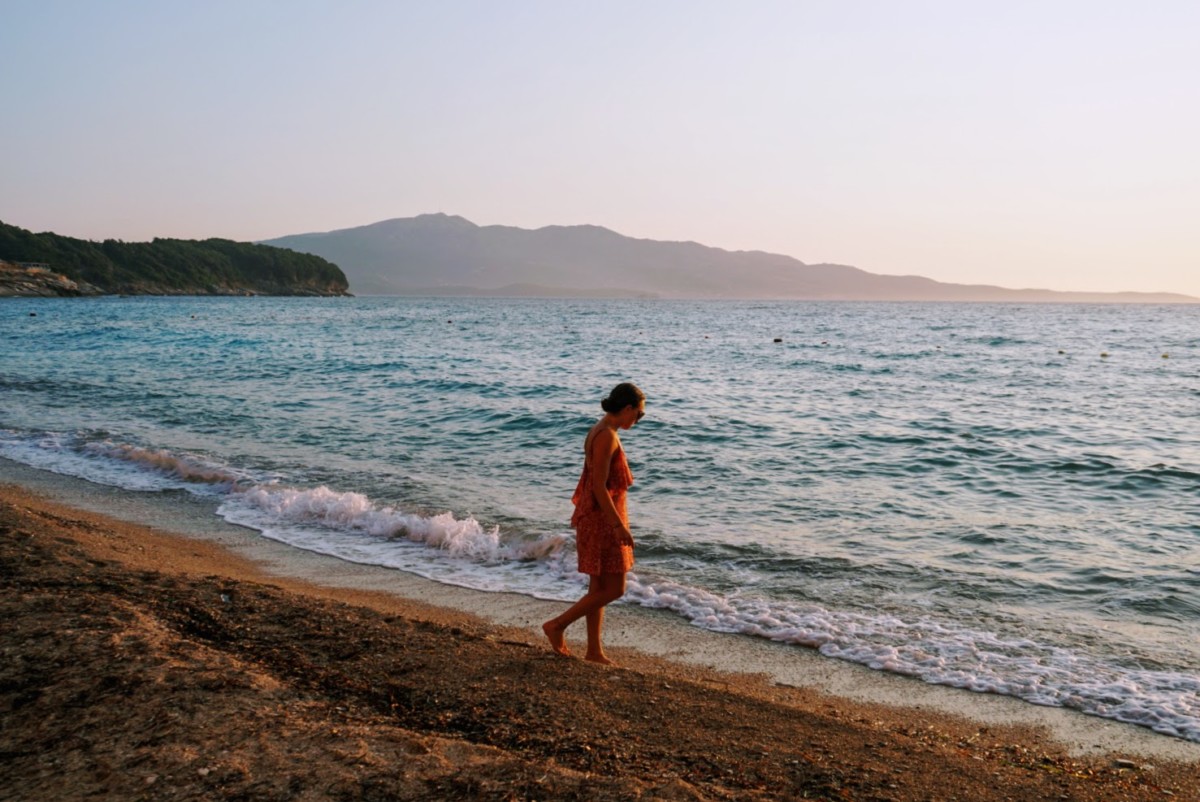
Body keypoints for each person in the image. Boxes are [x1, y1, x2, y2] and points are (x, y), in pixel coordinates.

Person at [543, 382, 645, 665]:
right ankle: (557, 625)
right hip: (602, 521)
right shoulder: (606, 436)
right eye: (639, 414)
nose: (638, 420)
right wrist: (618, 526)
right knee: (615, 589)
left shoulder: (600, 430)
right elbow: (599, 487)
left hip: (598, 517)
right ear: (627, 408)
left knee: (598, 589)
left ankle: (594, 651)